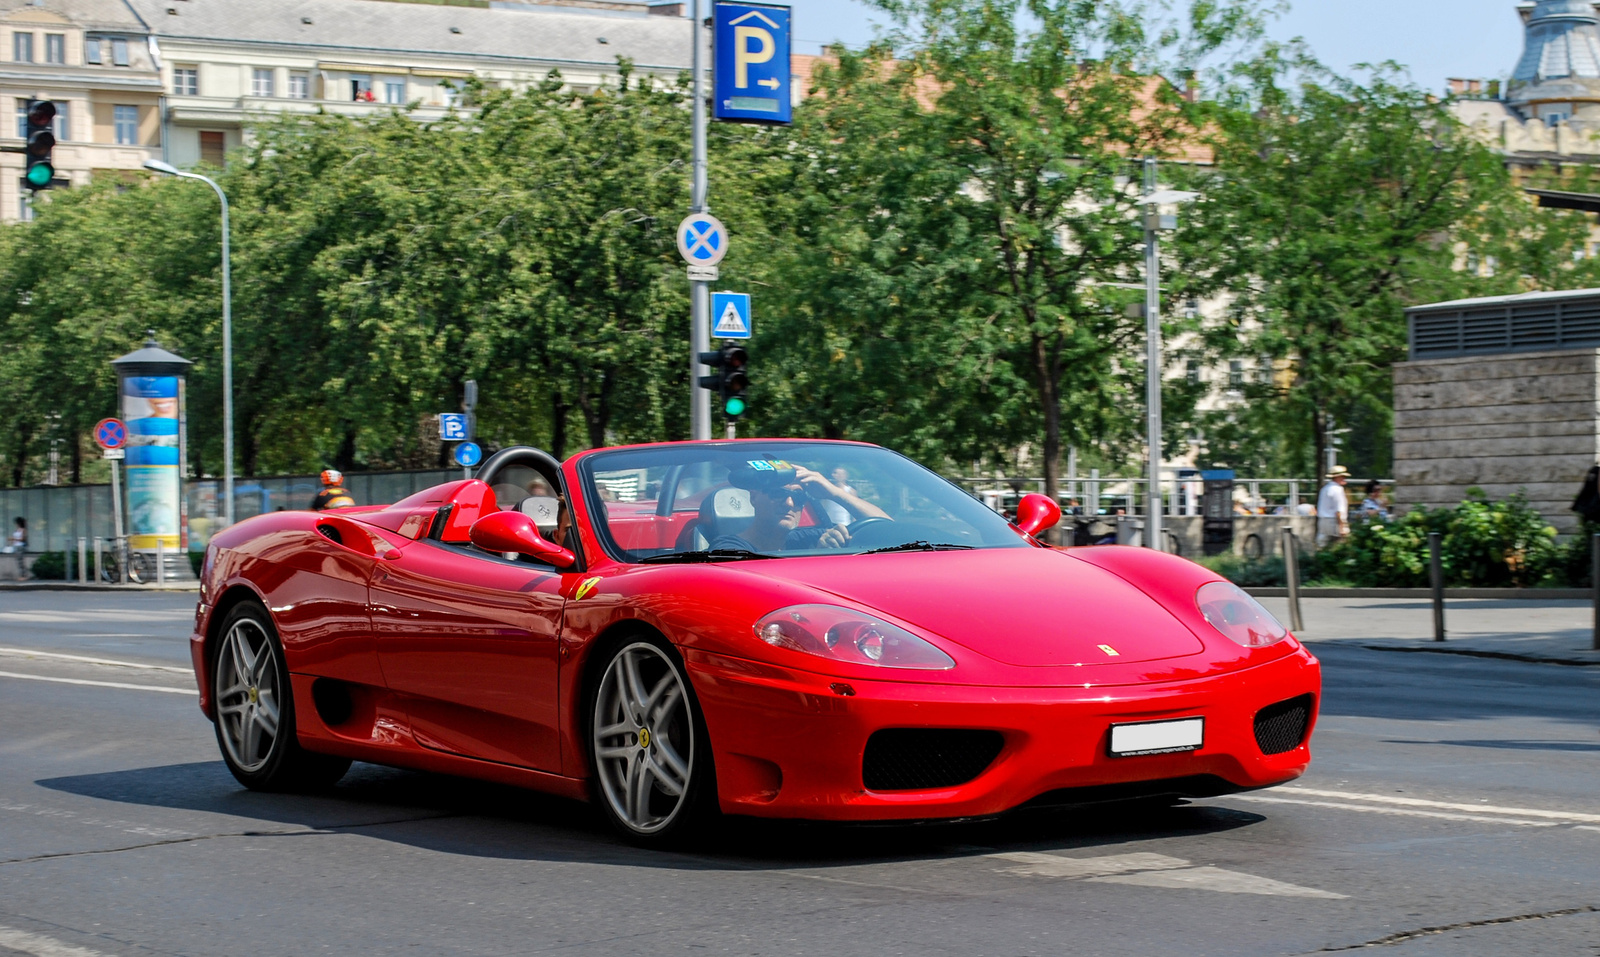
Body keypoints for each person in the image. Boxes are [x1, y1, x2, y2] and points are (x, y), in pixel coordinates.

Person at [712, 464, 888, 553]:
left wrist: (834, 493)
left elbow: (886, 529)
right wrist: (816, 557)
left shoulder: (807, 538)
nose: (789, 503)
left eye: (798, 497)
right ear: (754, 497)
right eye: (777, 493)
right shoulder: (728, 549)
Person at [1316, 465, 1351, 546]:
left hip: (1323, 521)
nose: (1344, 478)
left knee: (1323, 544)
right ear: (1336, 477)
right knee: (1340, 545)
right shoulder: (1338, 490)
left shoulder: (1325, 488)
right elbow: (1339, 510)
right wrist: (1342, 527)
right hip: (1334, 521)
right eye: (1342, 476)